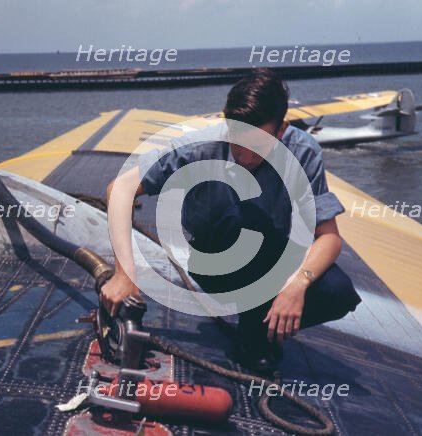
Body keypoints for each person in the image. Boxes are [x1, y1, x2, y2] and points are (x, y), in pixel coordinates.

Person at [102, 68, 361, 374]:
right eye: (238, 141)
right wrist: (124, 274)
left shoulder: (303, 152)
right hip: (214, 256)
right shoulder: (199, 147)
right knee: (237, 211)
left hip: (270, 255)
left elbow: (329, 238)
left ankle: (256, 328)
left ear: (281, 131)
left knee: (336, 292)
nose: (245, 155)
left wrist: (296, 286)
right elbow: (120, 188)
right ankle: (258, 323)